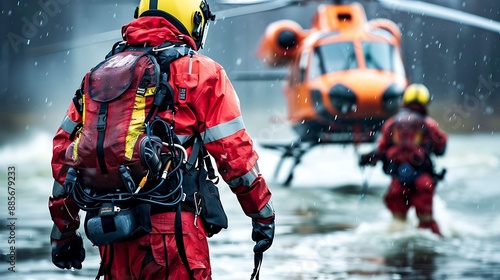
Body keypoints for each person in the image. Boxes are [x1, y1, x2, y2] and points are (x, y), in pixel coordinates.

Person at [48, 1, 275, 279]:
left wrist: (63, 232)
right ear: (194, 19)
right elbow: (234, 155)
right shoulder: (201, 72)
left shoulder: (99, 75)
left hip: (112, 233)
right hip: (173, 235)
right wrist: (262, 213)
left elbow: (65, 159)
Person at [360, 83, 447, 236]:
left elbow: (380, 150)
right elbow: (441, 148)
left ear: (405, 101)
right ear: (425, 103)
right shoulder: (429, 125)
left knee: (398, 224)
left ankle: (398, 258)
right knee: (427, 224)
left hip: (398, 183)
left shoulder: (391, 124)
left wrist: (366, 159)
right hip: (423, 182)